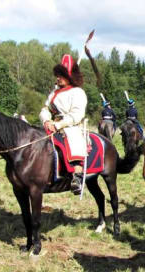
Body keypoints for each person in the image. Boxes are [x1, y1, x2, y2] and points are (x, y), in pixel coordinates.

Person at [40, 54, 87, 195]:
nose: (58, 78)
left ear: (69, 76)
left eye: (61, 75)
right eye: (57, 75)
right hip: (52, 125)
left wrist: (60, 125)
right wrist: (46, 120)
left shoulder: (78, 92)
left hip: (70, 126)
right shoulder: (54, 93)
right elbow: (45, 109)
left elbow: (77, 114)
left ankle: (77, 176)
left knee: (72, 140)